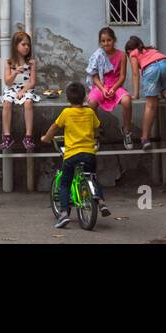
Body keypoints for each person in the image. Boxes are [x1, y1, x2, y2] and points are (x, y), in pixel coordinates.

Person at [41, 80, 108, 228]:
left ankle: (64, 213)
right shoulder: (90, 112)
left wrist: (46, 138)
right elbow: (98, 127)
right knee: (92, 177)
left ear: (67, 99)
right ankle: (101, 202)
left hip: (71, 155)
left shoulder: (66, 113)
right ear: (85, 98)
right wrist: (96, 137)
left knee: (65, 183)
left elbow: (54, 127)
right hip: (89, 154)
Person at [85, 26, 134, 149]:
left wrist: (113, 89)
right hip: (101, 85)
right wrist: (103, 89)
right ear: (100, 42)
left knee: (127, 101)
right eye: (103, 41)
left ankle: (126, 131)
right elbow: (94, 76)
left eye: (109, 40)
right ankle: (95, 133)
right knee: (91, 103)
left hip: (116, 86)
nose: (106, 43)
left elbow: (122, 76)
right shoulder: (97, 55)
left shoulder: (122, 55)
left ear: (114, 40)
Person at [125, 36, 166, 149]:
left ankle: (145, 139)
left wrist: (136, 94)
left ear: (128, 51)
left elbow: (135, 74)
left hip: (151, 69)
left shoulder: (133, 53)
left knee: (151, 106)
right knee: (164, 86)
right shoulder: (151, 50)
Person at [0, 31, 39, 152]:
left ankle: (28, 137)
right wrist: (15, 72)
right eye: (23, 44)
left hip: (26, 88)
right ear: (15, 46)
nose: (26, 47)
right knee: (6, 102)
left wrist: (23, 90)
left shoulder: (31, 63)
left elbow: (32, 82)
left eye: (28, 45)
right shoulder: (9, 63)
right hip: (12, 88)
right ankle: (7, 137)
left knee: (28, 103)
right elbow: (7, 82)